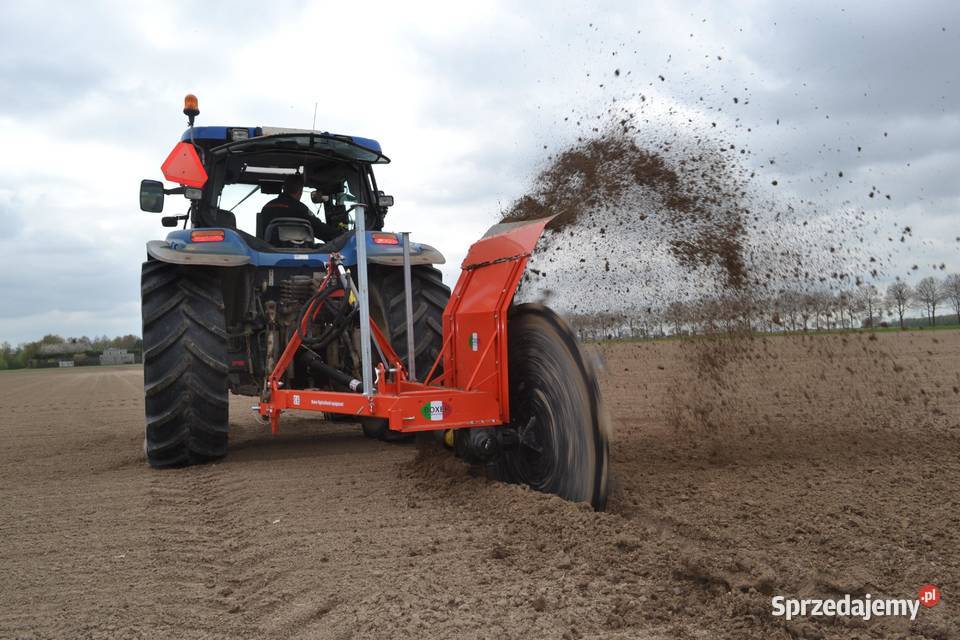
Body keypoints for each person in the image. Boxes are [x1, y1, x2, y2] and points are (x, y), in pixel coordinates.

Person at [257, 174, 339, 242]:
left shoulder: (266, 207)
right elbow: (319, 229)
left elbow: (261, 236)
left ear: (283, 188)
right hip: (297, 252)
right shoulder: (300, 208)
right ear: (300, 191)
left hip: (269, 253)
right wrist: (340, 236)